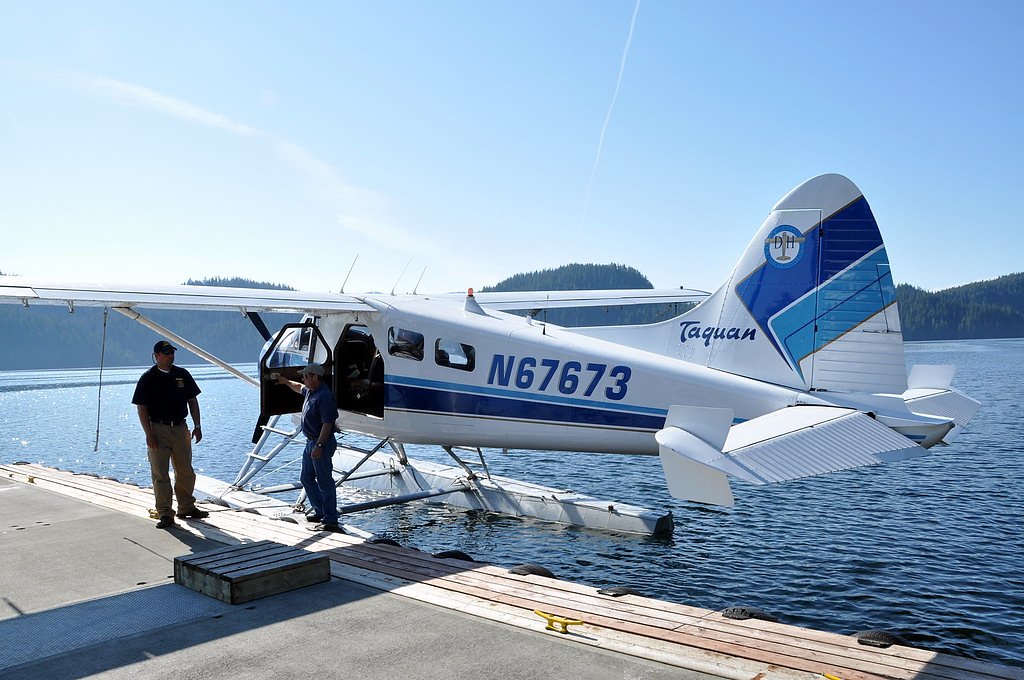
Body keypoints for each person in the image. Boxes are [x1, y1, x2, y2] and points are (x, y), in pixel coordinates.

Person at [132, 340, 209, 529]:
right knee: (160, 473)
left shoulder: (182, 374)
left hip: (180, 427)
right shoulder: (148, 378)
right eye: (166, 353)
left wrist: (197, 425)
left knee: (185, 471)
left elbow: (192, 401)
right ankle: (165, 513)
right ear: (156, 355)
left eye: (171, 353)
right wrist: (148, 434)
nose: (170, 356)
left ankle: (186, 507)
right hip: (158, 428)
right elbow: (142, 408)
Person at [278, 363, 342, 532]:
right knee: (306, 478)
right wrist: (284, 381)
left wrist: (320, 445)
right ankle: (320, 510)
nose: (303, 379)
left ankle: (330, 519)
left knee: (324, 480)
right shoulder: (310, 391)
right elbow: (298, 387)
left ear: (315, 377)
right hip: (310, 442)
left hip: (321, 442)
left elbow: (327, 424)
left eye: (306, 376)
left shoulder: (324, 396)